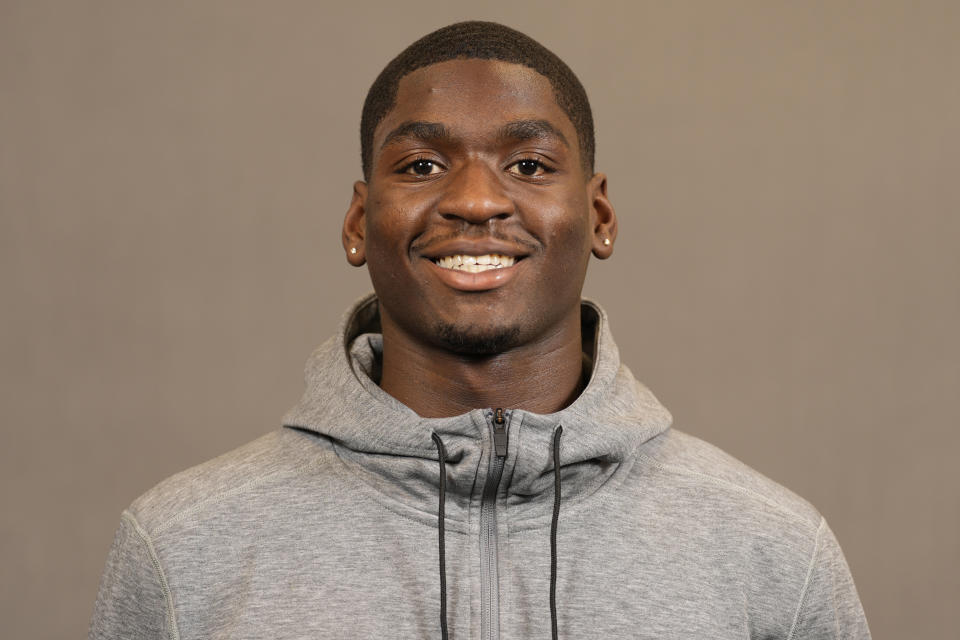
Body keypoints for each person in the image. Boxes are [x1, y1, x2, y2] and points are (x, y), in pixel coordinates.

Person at [89, 21, 871, 639]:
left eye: (528, 165)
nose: (474, 201)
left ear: (597, 215)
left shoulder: (770, 551)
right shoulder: (185, 549)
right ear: (360, 221)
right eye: (422, 166)